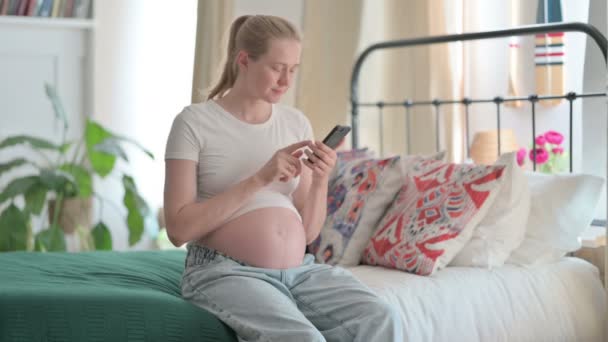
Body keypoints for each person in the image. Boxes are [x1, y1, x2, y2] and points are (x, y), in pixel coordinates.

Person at [163, 14, 403, 342]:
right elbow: (178, 230)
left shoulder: (295, 123)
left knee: (380, 317)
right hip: (223, 271)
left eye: (293, 69)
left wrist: (320, 180)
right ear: (244, 61)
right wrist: (260, 178)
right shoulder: (194, 123)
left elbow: (308, 232)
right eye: (278, 68)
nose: (286, 81)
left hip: (300, 271)